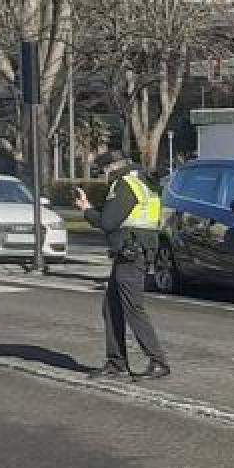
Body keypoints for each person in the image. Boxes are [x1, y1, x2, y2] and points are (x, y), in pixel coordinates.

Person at [76, 150, 170, 380]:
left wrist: (87, 210)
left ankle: (157, 361)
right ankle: (116, 362)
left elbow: (108, 222)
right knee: (111, 307)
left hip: (130, 253)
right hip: (137, 251)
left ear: (111, 168)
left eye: (104, 171)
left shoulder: (124, 184)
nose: (104, 176)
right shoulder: (143, 181)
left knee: (133, 308)